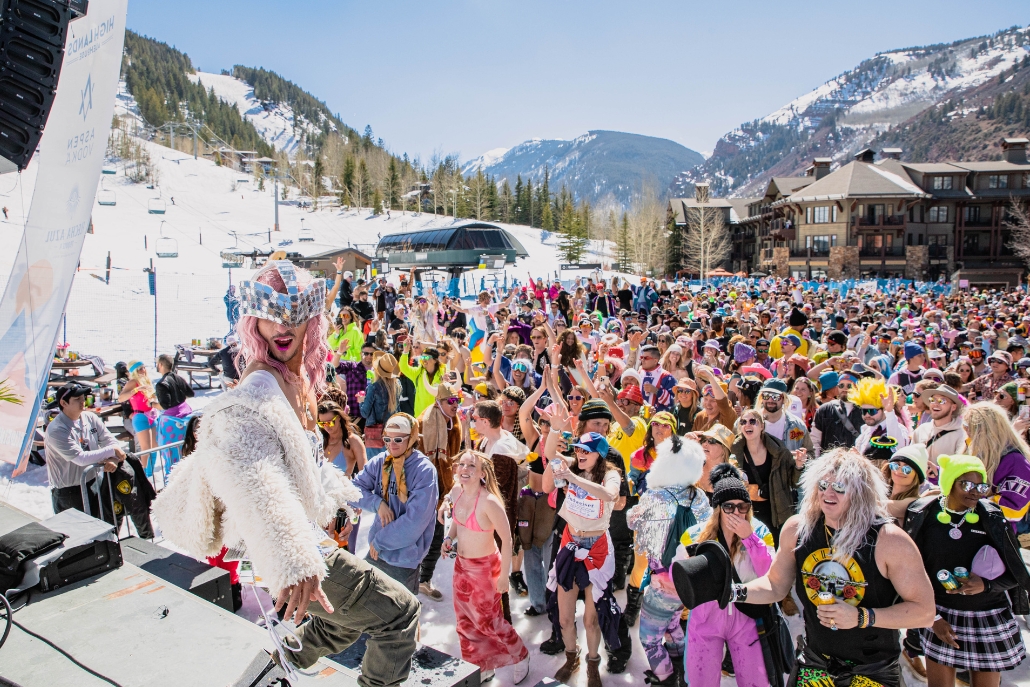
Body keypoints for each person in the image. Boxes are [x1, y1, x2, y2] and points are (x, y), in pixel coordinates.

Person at [155, 260, 420, 687]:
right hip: (293, 548)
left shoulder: (297, 381)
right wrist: (293, 560)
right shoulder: (254, 393)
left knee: (347, 620)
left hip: (306, 538)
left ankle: (284, 659)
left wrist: (331, 499)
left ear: (310, 322)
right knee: (400, 614)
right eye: (270, 314)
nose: (283, 326)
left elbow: (306, 463)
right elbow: (252, 474)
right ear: (251, 321)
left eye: (294, 315)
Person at [728, 448, 936, 687]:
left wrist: (861, 617)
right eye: (823, 484)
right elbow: (775, 585)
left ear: (860, 493)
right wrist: (733, 592)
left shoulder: (889, 540)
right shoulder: (798, 530)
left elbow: (925, 611)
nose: (828, 493)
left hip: (871, 671)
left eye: (839, 487)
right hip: (816, 664)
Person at [904, 454, 1029, 686]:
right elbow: (911, 573)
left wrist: (986, 585)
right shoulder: (923, 515)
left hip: (989, 616)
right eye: (967, 484)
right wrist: (933, 619)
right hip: (940, 615)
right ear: (949, 482)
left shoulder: (991, 516)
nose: (975, 492)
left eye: (981, 486)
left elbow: (1018, 575)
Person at [625, 435, 710, 686]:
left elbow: (632, 520)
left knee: (649, 638)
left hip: (662, 582)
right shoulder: (699, 497)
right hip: (689, 577)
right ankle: (681, 670)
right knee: (673, 625)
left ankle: (665, 678)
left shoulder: (655, 496)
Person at [440, 451, 531, 683]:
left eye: (472, 465)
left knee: (490, 622)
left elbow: (508, 539)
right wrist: (448, 539)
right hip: (461, 567)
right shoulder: (457, 491)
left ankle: (521, 655)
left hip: (484, 570)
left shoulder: (489, 502)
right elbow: (456, 522)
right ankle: (480, 665)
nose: (465, 469)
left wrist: (504, 577)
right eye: (462, 464)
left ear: (483, 473)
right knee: (465, 622)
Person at [683, 464, 777, 687]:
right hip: (706, 619)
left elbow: (771, 574)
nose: (736, 512)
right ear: (717, 508)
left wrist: (749, 539)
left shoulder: (759, 532)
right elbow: (679, 576)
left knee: (756, 682)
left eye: (742, 506)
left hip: (746, 617)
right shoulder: (695, 536)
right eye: (729, 507)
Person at [543, 432, 624, 687]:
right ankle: (571, 657)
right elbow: (548, 454)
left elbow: (610, 495)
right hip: (569, 543)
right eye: (578, 449)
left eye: (586, 451)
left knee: (591, 619)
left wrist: (572, 478)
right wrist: (555, 429)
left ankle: (592, 663)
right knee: (565, 618)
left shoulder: (611, 473)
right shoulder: (571, 465)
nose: (580, 454)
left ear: (599, 453)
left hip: (597, 547)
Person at [45, 382, 155, 538]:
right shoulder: (57, 429)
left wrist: (113, 459)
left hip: (94, 483)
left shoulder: (90, 417)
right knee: (77, 540)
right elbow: (80, 458)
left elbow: (111, 441)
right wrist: (110, 452)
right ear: (63, 403)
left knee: (103, 533)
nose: (83, 401)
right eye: (77, 399)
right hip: (69, 492)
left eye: (83, 397)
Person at [352, 413, 439, 594]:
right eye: (387, 439)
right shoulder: (381, 461)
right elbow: (353, 490)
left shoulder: (424, 471)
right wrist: (377, 503)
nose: (392, 444)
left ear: (412, 438)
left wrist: (380, 541)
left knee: (400, 616)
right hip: (377, 551)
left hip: (403, 558)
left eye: (398, 439)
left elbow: (415, 521)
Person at [415, 377, 464, 601]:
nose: (455, 404)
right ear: (438, 402)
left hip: (443, 489)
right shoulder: (423, 422)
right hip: (421, 489)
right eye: (450, 401)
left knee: (436, 536)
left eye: (457, 400)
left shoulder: (456, 424)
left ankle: (425, 579)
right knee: (415, 536)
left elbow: (454, 457)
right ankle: (409, 578)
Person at [730, 408, 799, 544]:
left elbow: (794, 481)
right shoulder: (734, 451)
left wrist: (799, 466)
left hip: (774, 512)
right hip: (746, 513)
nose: (747, 425)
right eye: (743, 422)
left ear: (762, 426)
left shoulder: (779, 451)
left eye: (752, 421)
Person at [963, 402, 1030, 530]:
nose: (965, 430)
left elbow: (1013, 510)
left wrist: (963, 501)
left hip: (994, 536)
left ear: (988, 429)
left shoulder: (1016, 461)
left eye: (968, 426)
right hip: (968, 529)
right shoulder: (975, 451)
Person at [317, 400, 366, 552]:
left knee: (345, 550)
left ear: (339, 417)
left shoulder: (352, 441)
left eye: (330, 422)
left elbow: (366, 473)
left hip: (345, 503)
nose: (326, 427)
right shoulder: (320, 441)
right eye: (322, 423)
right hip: (322, 503)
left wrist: (359, 502)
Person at [912, 385, 967, 483]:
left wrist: (938, 471)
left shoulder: (961, 435)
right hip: (918, 488)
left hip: (943, 491)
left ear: (953, 407)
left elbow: (961, 469)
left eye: (942, 401)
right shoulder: (921, 430)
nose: (935, 404)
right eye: (932, 400)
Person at [359, 353, 401, 459]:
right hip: (392, 432)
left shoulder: (374, 387)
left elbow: (364, 413)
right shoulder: (397, 386)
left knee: (375, 468)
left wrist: (361, 401)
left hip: (375, 435)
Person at [119, 360, 158, 459]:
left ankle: (150, 473)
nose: (143, 370)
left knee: (154, 448)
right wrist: (136, 390)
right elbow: (121, 398)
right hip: (140, 416)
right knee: (146, 448)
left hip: (151, 415)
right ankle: (144, 473)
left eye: (144, 367)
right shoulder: (133, 382)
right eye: (140, 369)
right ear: (134, 371)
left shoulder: (146, 380)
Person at [154, 353, 194, 417]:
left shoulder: (161, 384)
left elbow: (164, 406)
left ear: (160, 365)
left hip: (173, 418)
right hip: (186, 412)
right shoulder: (178, 377)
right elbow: (191, 393)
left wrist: (152, 404)